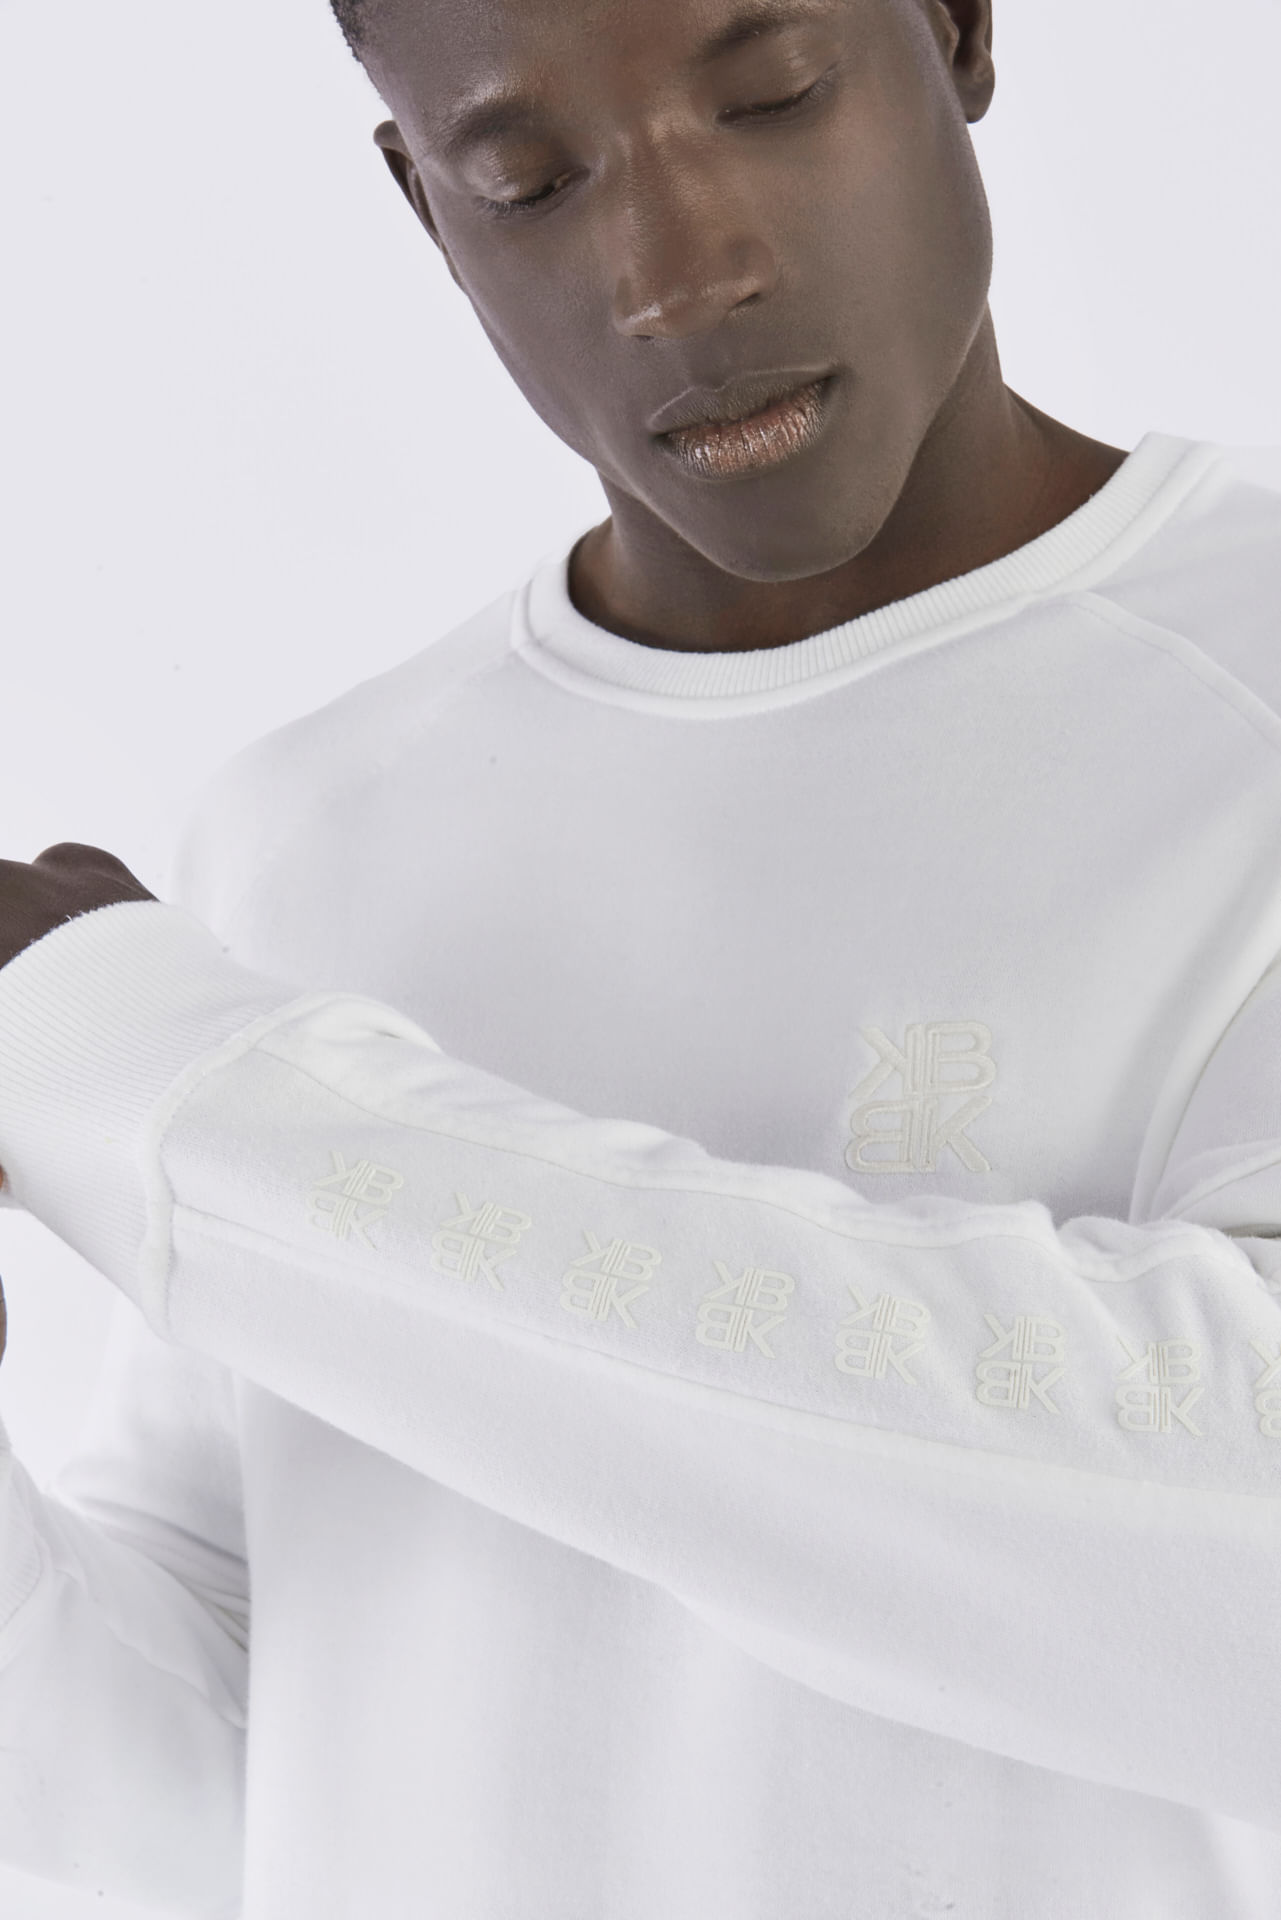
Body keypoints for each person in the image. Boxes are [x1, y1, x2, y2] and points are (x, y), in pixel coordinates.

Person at [0, 0, 1278, 1914]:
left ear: (952, 28)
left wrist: (182, 1112)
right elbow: (222, 1795)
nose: (681, 276)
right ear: (424, 206)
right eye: (530, 183)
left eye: (767, 98)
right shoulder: (309, 831)